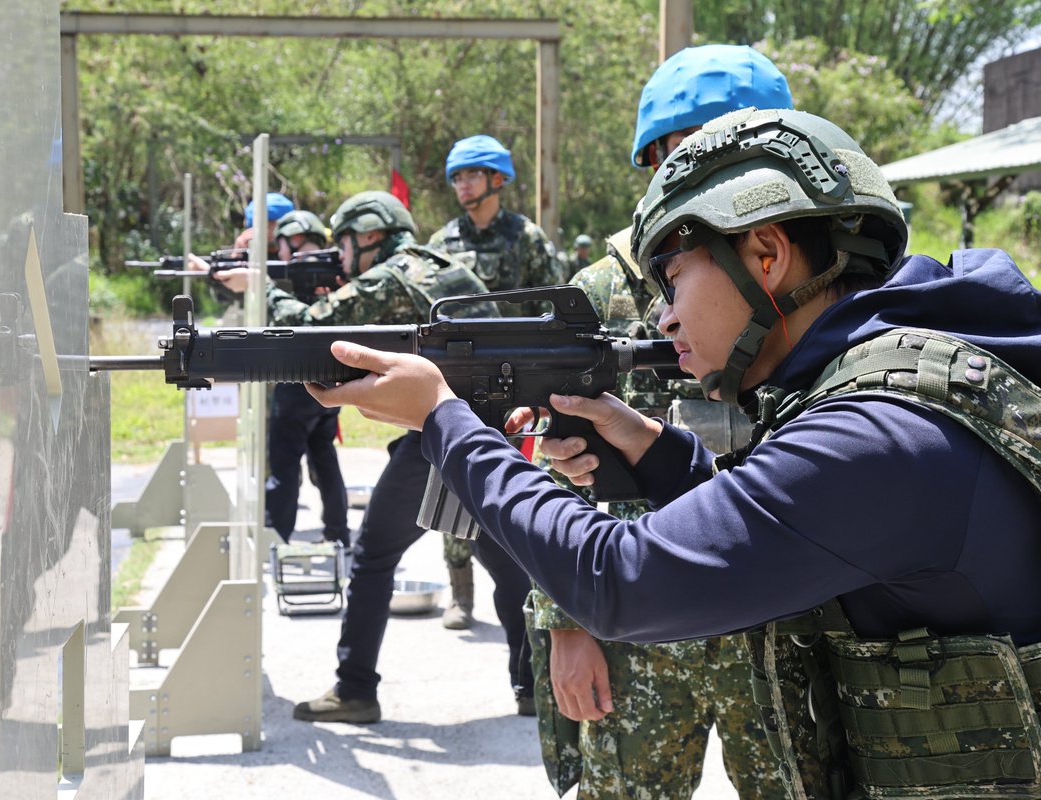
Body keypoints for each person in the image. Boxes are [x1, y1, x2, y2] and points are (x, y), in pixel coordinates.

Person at [304, 108, 1041, 799]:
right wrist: (659, 455)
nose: (663, 314)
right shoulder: (907, 374)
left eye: (675, 274)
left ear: (767, 253)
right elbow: (791, 517)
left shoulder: (876, 434)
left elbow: (621, 579)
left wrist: (442, 419)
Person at [529, 44, 793, 799]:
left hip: (780, 616)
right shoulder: (603, 288)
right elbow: (562, 468)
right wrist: (567, 625)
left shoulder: (808, 274)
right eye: (684, 154)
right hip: (639, 614)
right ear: (654, 161)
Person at [256, 191, 537, 723]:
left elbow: (315, 326)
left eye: (342, 245)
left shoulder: (394, 273)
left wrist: (259, 285)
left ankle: (355, 689)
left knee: (374, 557)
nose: (340, 258)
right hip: (483, 429)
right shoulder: (435, 264)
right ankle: (531, 686)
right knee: (505, 561)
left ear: (367, 236)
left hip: (445, 429)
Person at [428, 133, 564, 637]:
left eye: (471, 176)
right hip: (458, 377)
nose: (463, 186)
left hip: (514, 380)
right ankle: (459, 592)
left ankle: (524, 586)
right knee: (449, 482)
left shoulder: (526, 239)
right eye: (457, 178)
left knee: (517, 478)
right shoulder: (444, 243)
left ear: (497, 180)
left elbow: (553, 305)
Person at [263, 209, 349, 547]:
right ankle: (338, 533)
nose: (280, 253)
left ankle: (277, 538)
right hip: (331, 383)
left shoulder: (298, 277)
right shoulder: (334, 270)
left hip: (298, 386)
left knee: (283, 467)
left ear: (293, 241)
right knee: (325, 459)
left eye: (282, 245)